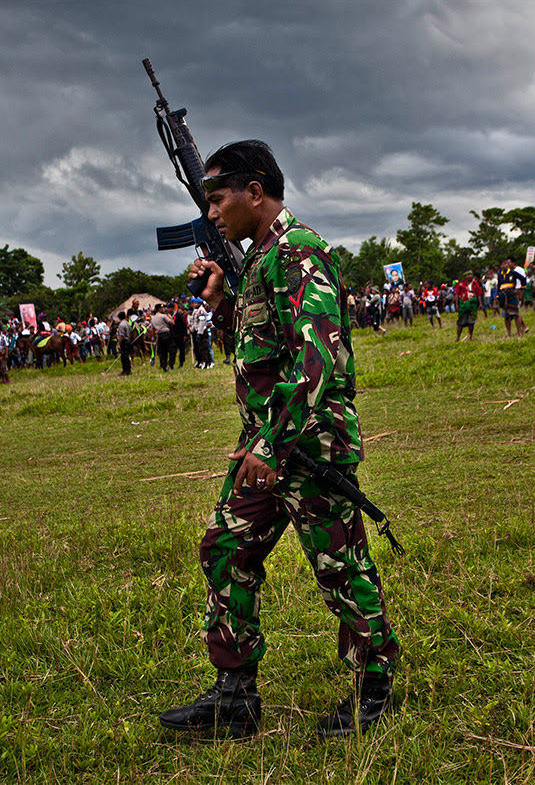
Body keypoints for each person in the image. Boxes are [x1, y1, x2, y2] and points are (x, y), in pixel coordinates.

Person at [160, 140, 399, 739]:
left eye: (217, 200)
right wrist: (221, 305)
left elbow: (315, 355)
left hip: (307, 448)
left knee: (340, 568)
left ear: (256, 193)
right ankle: (235, 698)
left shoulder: (299, 253)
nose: (211, 213)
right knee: (224, 549)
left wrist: (271, 444)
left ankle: (376, 687)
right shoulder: (262, 259)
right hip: (265, 446)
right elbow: (262, 352)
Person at [496, 258, 526, 337]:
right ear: (501, 266)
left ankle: (519, 332)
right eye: (503, 264)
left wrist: (522, 288)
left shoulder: (513, 273)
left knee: (516, 314)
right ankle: (508, 333)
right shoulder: (499, 274)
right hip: (503, 295)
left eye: (506, 263)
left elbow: (523, 279)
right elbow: (498, 285)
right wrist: (497, 296)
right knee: (506, 316)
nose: (505, 265)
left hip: (512, 294)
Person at [454, 273, 482, 342]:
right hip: (463, 304)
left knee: (471, 322)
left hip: (473, 305)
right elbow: (457, 294)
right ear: (465, 276)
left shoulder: (475, 284)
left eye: (471, 274)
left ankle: (470, 337)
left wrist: (480, 304)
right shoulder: (460, 284)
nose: (470, 276)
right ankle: (457, 338)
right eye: (468, 275)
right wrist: (457, 305)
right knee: (461, 322)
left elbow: (479, 294)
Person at [150, 304, 174, 371]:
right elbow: (172, 323)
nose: (163, 309)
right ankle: (171, 365)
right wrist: (170, 317)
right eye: (162, 308)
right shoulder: (163, 316)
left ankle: (164, 365)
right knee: (171, 349)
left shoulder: (153, 318)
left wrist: (154, 339)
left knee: (163, 351)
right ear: (159, 309)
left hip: (159, 335)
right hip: (166, 334)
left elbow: (152, 330)